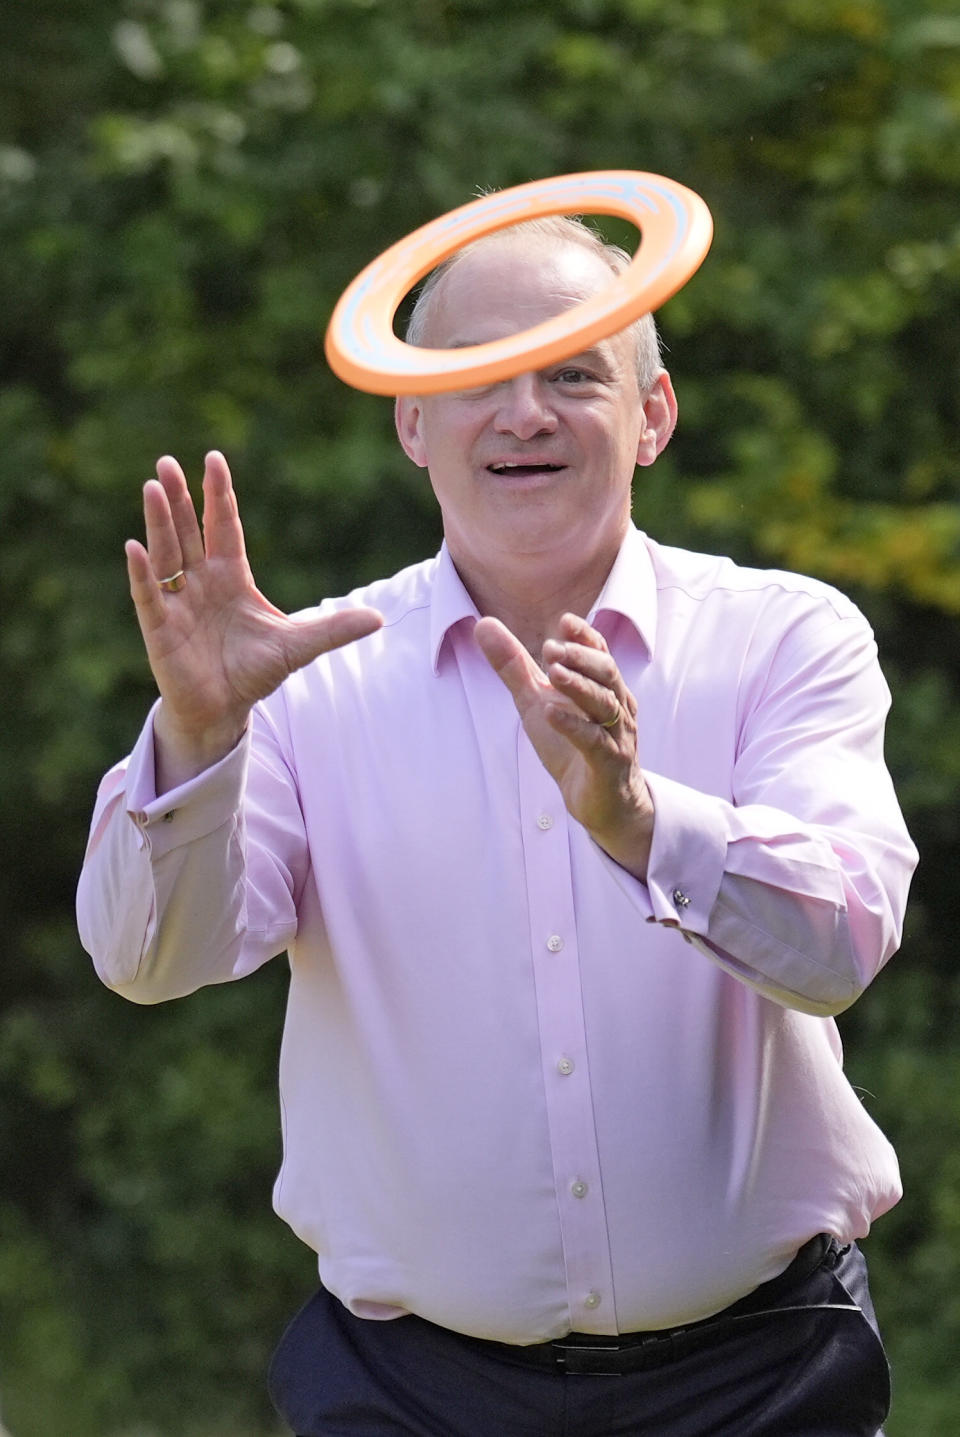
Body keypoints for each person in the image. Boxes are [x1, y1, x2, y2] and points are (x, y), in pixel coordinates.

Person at [77, 215, 917, 1437]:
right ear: (412, 422)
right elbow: (148, 962)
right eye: (477, 377)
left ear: (654, 416)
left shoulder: (786, 637)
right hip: (407, 1393)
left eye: (575, 372)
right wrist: (199, 735)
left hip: (763, 1379)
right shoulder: (305, 681)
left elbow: (838, 949)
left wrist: (639, 823)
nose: (524, 410)